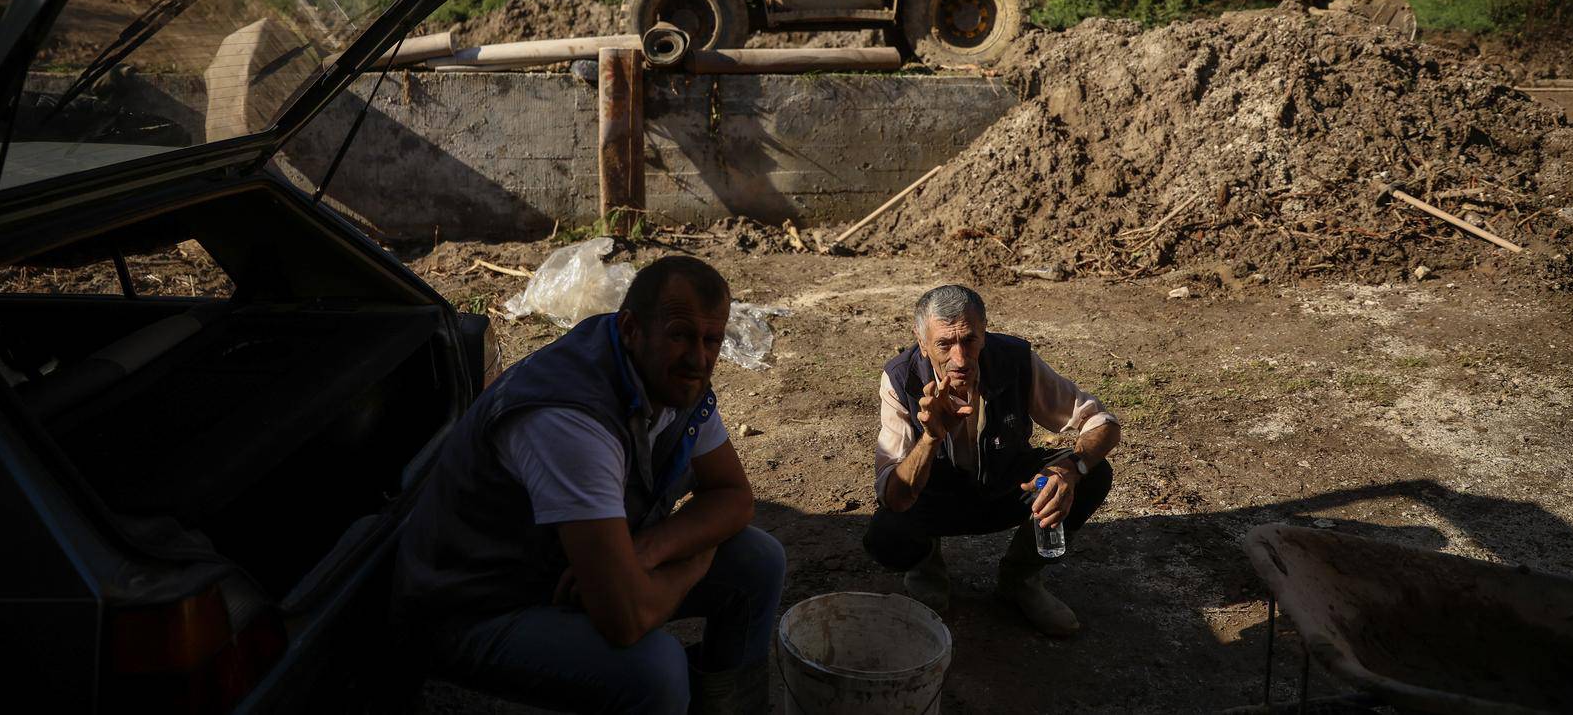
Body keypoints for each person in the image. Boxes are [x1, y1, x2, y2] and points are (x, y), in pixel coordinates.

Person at [394, 255, 785, 714]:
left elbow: (734, 498)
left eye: (712, 339)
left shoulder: (668, 377)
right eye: (680, 335)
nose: (698, 359)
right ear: (631, 329)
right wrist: (694, 560)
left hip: (564, 570)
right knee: (654, 670)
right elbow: (626, 620)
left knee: (758, 560)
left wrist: (648, 551)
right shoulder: (573, 418)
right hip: (474, 607)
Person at [864, 284, 1118, 637]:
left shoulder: (1014, 359)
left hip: (1005, 485)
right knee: (888, 533)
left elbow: (1102, 424)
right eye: (944, 344)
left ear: (984, 332)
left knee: (1093, 473)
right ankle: (926, 568)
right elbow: (893, 495)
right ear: (922, 343)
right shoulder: (899, 378)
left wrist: (1068, 470)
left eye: (969, 340)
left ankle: (1020, 580)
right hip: (938, 498)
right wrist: (931, 438)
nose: (960, 358)